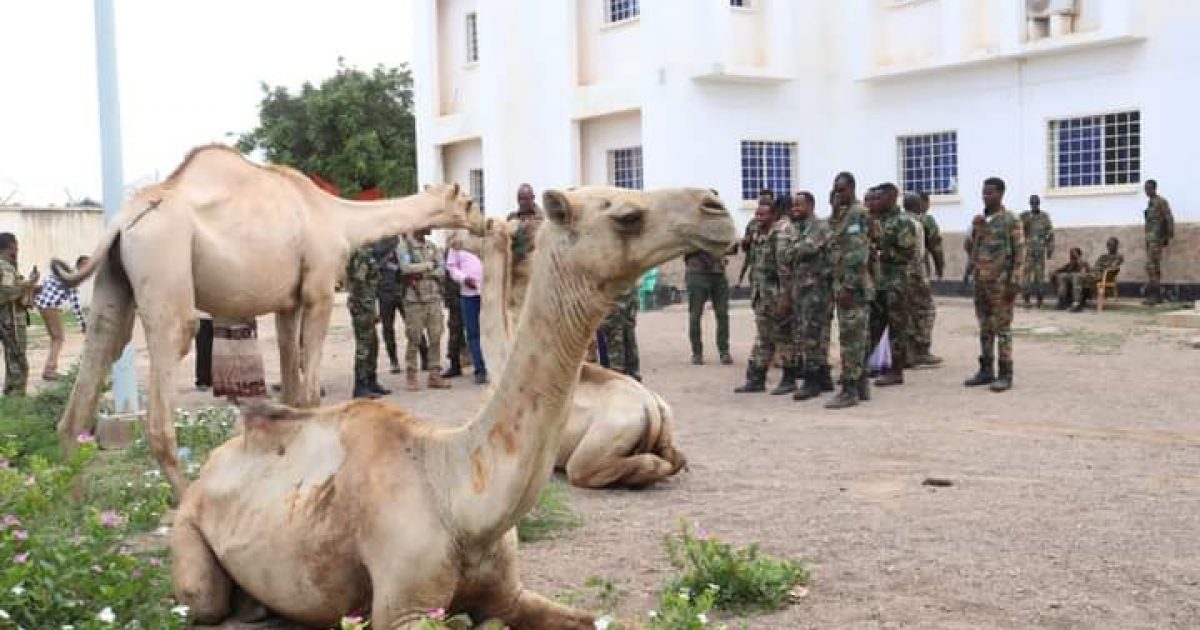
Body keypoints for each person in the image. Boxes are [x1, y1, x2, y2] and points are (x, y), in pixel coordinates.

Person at [964, 177, 1025, 392]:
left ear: (1000, 194)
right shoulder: (981, 220)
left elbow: (1019, 253)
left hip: (1001, 284)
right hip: (981, 283)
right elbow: (972, 250)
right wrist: (975, 231)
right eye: (983, 192)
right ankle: (986, 369)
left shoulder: (1011, 221)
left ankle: (1005, 374)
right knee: (984, 327)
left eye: (990, 192)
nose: (985, 196)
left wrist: (1014, 282)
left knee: (1003, 329)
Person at [825, 173, 874, 409]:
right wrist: (834, 212)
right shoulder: (842, 214)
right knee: (856, 337)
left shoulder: (858, 214)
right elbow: (833, 240)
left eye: (842, 190)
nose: (838, 194)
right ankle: (861, 384)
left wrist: (849, 285)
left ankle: (849, 389)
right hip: (843, 283)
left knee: (851, 339)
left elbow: (858, 253)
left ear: (852, 188)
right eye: (835, 190)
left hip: (853, 287)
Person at [781, 191, 833, 402]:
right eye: (793, 205)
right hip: (802, 289)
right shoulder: (797, 228)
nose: (794, 208)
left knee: (813, 335)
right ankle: (823, 376)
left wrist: (791, 249)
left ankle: (812, 381)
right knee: (809, 333)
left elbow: (804, 250)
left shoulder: (819, 227)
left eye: (799, 205)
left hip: (817, 290)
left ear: (810, 206)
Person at [868, 183, 918, 387]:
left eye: (879, 198)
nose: (875, 201)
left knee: (897, 327)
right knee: (873, 325)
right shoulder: (875, 220)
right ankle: (864, 367)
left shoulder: (902, 222)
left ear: (891, 198)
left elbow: (906, 253)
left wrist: (880, 253)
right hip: (878, 282)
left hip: (895, 281)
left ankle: (896, 370)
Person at [733, 200, 784, 394]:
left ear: (773, 216)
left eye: (763, 215)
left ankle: (789, 378)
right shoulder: (757, 235)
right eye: (757, 215)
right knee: (764, 337)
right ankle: (756, 379)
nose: (758, 218)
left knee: (782, 337)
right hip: (761, 295)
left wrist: (786, 297)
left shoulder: (779, 236)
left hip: (777, 296)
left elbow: (783, 270)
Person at [399, 229, 451, 391]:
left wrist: (422, 272)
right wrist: (429, 266)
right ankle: (411, 375)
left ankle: (434, 375)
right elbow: (405, 268)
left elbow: (442, 270)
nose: (430, 228)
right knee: (414, 337)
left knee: (436, 336)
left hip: (433, 298)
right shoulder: (405, 247)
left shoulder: (432, 247)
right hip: (415, 300)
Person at [377, 236, 428, 375]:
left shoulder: (401, 243)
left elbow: (408, 265)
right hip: (384, 292)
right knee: (388, 329)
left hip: (402, 290)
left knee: (414, 325)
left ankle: (425, 355)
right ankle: (394, 361)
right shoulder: (377, 245)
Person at [346, 244, 391, 398]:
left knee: (373, 345)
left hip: (368, 305)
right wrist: (358, 303)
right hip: (362, 307)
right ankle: (360, 386)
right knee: (364, 348)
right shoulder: (362, 254)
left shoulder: (368, 253)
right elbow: (359, 281)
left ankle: (371, 381)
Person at [33, 255, 88, 381]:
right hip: (50, 307)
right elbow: (75, 304)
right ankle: (50, 370)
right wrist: (83, 323)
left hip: (43, 305)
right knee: (58, 338)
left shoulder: (63, 273)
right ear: (80, 265)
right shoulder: (73, 277)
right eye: (86, 265)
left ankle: (49, 369)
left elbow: (46, 284)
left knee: (55, 338)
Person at [445, 235, 487, 384]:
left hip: (489, 293)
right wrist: (463, 279)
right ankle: (480, 370)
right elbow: (451, 267)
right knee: (473, 334)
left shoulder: (485, 238)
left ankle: (495, 367)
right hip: (468, 295)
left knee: (490, 331)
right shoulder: (456, 242)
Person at [684, 245, 734, 366]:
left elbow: (731, 247)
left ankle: (724, 351)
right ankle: (697, 353)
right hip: (697, 273)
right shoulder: (690, 227)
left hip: (718, 273)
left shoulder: (720, 227)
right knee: (695, 315)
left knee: (722, 314)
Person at [0, 233, 37, 396]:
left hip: (12, 317)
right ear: (11, 246)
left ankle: (12, 393)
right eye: (16, 244)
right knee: (17, 357)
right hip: (11, 319)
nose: (18, 248)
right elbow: (5, 293)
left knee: (14, 357)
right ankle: (15, 394)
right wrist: (28, 285)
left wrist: (30, 285)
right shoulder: (4, 266)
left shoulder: (9, 266)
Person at [911, 192, 944, 365]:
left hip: (899, 276)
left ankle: (906, 350)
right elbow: (936, 247)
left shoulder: (897, 219)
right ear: (923, 204)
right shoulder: (925, 221)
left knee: (906, 312)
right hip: (919, 272)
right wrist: (940, 268)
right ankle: (922, 350)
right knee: (926, 310)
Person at [1142, 179, 1175, 305]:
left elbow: (1169, 218)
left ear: (1154, 188)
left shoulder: (1161, 202)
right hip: (1150, 239)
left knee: (1152, 266)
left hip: (1156, 239)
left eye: (1149, 188)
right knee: (1153, 267)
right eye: (1145, 188)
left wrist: (1168, 236)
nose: (1146, 191)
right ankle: (1156, 295)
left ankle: (1155, 296)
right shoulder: (1150, 203)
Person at [1019, 194, 1055, 308]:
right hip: (1028, 250)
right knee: (1026, 276)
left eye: (1036, 203)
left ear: (1039, 203)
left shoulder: (1044, 217)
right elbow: (1017, 229)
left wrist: (1050, 248)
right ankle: (1026, 299)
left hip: (1040, 250)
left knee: (1039, 276)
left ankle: (1040, 300)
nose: (1034, 205)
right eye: (1032, 203)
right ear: (1030, 204)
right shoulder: (1025, 216)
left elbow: (1050, 234)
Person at [1051, 248, 1090, 312]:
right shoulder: (1070, 264)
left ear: (1079, 254)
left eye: (1073, 254)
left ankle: (1076, 303)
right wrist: (1054, 272)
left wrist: (1077, 258)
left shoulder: (1084, 263)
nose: (1071, 256)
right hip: (1072, 279)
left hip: (1081, 280)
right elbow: (1061, 269)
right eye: (1071, 254)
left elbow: (1086, 272)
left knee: (1076, 276)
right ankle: (1062, 301)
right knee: (1062, 276)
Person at [194, 312, 213, 391]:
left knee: (215, 350)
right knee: (203, 349)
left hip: (218, 316)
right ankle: (203, 380)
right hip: (202, 317)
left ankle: (207, 379)